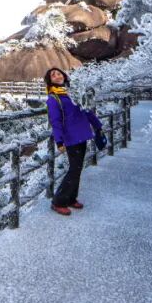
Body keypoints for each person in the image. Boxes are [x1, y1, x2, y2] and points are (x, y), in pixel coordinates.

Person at [44, 67, 105, 216]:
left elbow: (86, 110)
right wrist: (59, 141)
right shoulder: (53, 98)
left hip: (82, 134)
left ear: (64, 76)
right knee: (74, 169)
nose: (57, 76)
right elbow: (55, 121)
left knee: (78, 168)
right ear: (50, 81)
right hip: (71, 137)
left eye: (59, 73)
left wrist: (97, 125)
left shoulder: (73, 93)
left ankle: (71, 198)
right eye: (53, 75)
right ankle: (58, 201)